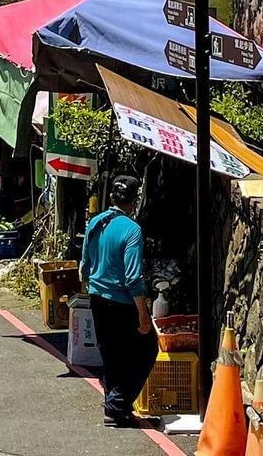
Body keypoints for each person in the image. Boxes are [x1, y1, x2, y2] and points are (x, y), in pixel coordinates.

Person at [79, 173, 158, 427]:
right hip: (121, 303)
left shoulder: (95, 222)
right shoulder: (132, 230)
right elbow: (134, 278)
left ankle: (115, 407)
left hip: (97, 298)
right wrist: (143, 314)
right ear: (134, 201)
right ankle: (117, 405)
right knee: (146, 350)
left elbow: (84, 267)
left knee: (112, 355)